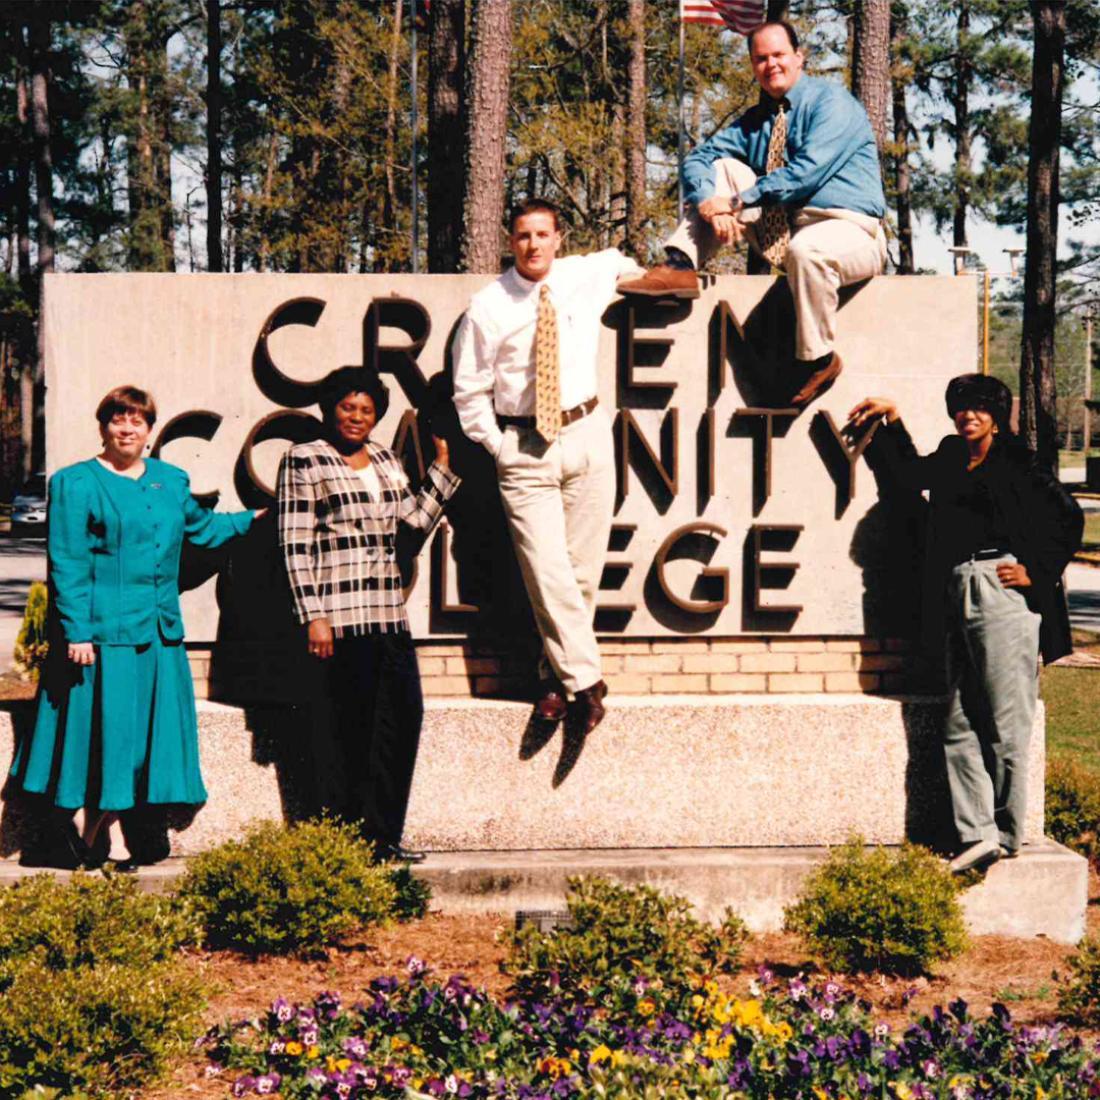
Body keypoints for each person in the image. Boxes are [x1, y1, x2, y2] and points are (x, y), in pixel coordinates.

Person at [9, 385, 258, 870]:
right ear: (103, 426)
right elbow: (67, 562)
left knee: (139, 741)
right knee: (109, 736)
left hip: (158, 635)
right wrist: (77, 631)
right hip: (103, 638)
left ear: (149, 430)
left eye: (137, 421)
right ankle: (106, 835)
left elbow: (204, 530)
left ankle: (103, 833)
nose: (127, 429)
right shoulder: (75, 483)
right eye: (118, 420)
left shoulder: (170, 480)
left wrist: (256, 520)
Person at [848, 375, 1083, 874]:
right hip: (956, 588)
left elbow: (1067, 517)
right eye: (961, 408)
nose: (968, 416)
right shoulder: (953, 456)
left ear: (996, 416)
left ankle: (1007, 832)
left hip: (1001, 591)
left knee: (1004, 718)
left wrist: (1036, 572)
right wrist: (892, 420)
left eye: (978, 408)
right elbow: (908, 478)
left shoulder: (1018, 463)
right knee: (958, 720)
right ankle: (976, 834)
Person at [618, 20, 887, 409]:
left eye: (779, 55)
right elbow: (698, 159)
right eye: (761, 58)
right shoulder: (757, 122)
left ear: (799, 57)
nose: (770, 65)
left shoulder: (833, 103)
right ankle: (680, 264)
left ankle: (819, 360)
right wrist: (711, 200)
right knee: (721, 169)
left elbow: (805, 173)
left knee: (808, 251)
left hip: (849, 231)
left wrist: (738, 202)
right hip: (788, 232)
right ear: (752, 65)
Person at [451, 199, 644, 734]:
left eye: (542, 234)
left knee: (581, 572)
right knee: (547, 570)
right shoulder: (488, 305)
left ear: (559, 237)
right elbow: (469, 390)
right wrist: (499, 446)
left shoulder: (586, 274)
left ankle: (554, 681)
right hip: (525, 443)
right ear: (510, 242)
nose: (532, 245)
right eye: (521, 236)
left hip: (585, 434)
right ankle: (588, 682)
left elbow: (625, 263)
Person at [276, 367, 459, 863]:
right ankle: (338, 847)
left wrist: (441, 466)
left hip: (387, 617)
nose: (357, 417)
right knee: (341, 735)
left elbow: (411, 529)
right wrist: (313, 615)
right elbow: (294, 545)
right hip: (336, 622)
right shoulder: (303, 460)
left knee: (398, 725)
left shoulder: (384, 458)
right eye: (347, 407)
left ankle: (382, 839)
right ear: (329, 408)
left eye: (367, 410)